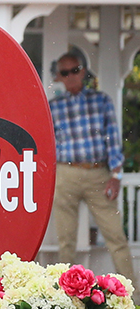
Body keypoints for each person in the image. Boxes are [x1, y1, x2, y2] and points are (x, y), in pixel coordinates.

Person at [49, 52, 133, 282]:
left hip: (99, 174)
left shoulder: (101, 100)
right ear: (59, 77)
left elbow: (113, 139)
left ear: (83, 71)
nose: (70, 76)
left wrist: (116, 174)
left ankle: (134, 298)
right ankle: (66, 298)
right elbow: (47, 143)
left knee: (116, 235)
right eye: (65, 73)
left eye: (74, 70)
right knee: (66, 241)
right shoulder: (53, 107)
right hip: (66, 173)